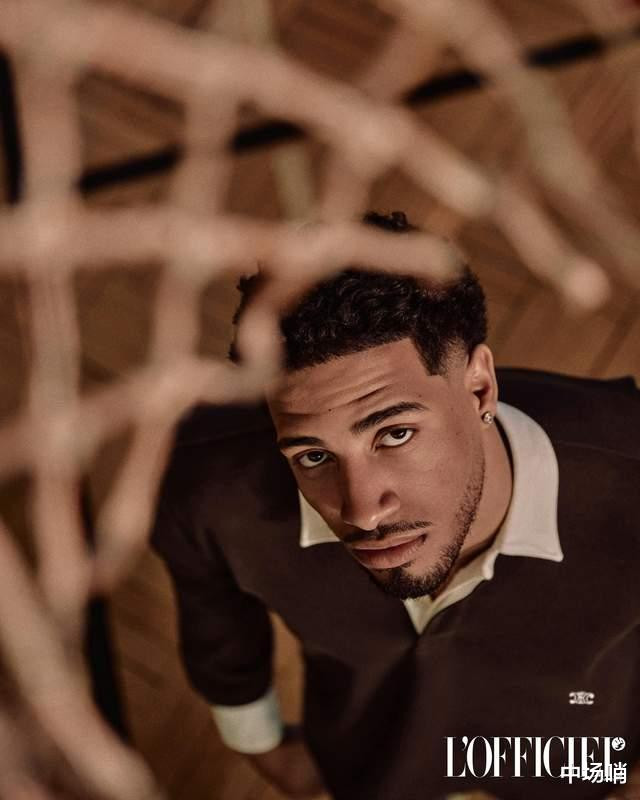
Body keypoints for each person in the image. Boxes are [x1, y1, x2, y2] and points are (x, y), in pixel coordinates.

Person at [150, 212, 640, 800]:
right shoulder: (210, 487)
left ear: (479, 387)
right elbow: (214, 615)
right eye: (313, 455)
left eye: (395, 433)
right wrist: (261, 744)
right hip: (375, 769)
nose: (363, 512)